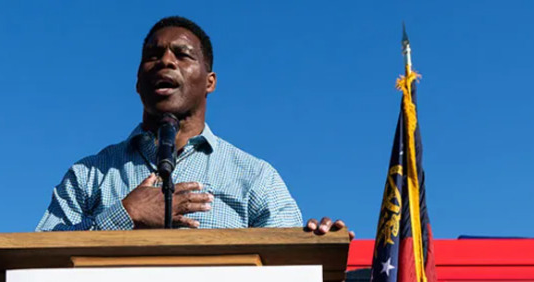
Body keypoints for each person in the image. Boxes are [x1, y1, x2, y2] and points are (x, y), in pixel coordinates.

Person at [36, 16, 350, 237]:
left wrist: (320, 242)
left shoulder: (255, 177)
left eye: (182, 55)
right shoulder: (89, 175)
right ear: (138, 82)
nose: (166, 61)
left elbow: (291, 268)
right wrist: (125, 214)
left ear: (210, 82)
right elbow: (39, 260)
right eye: (153, 55)